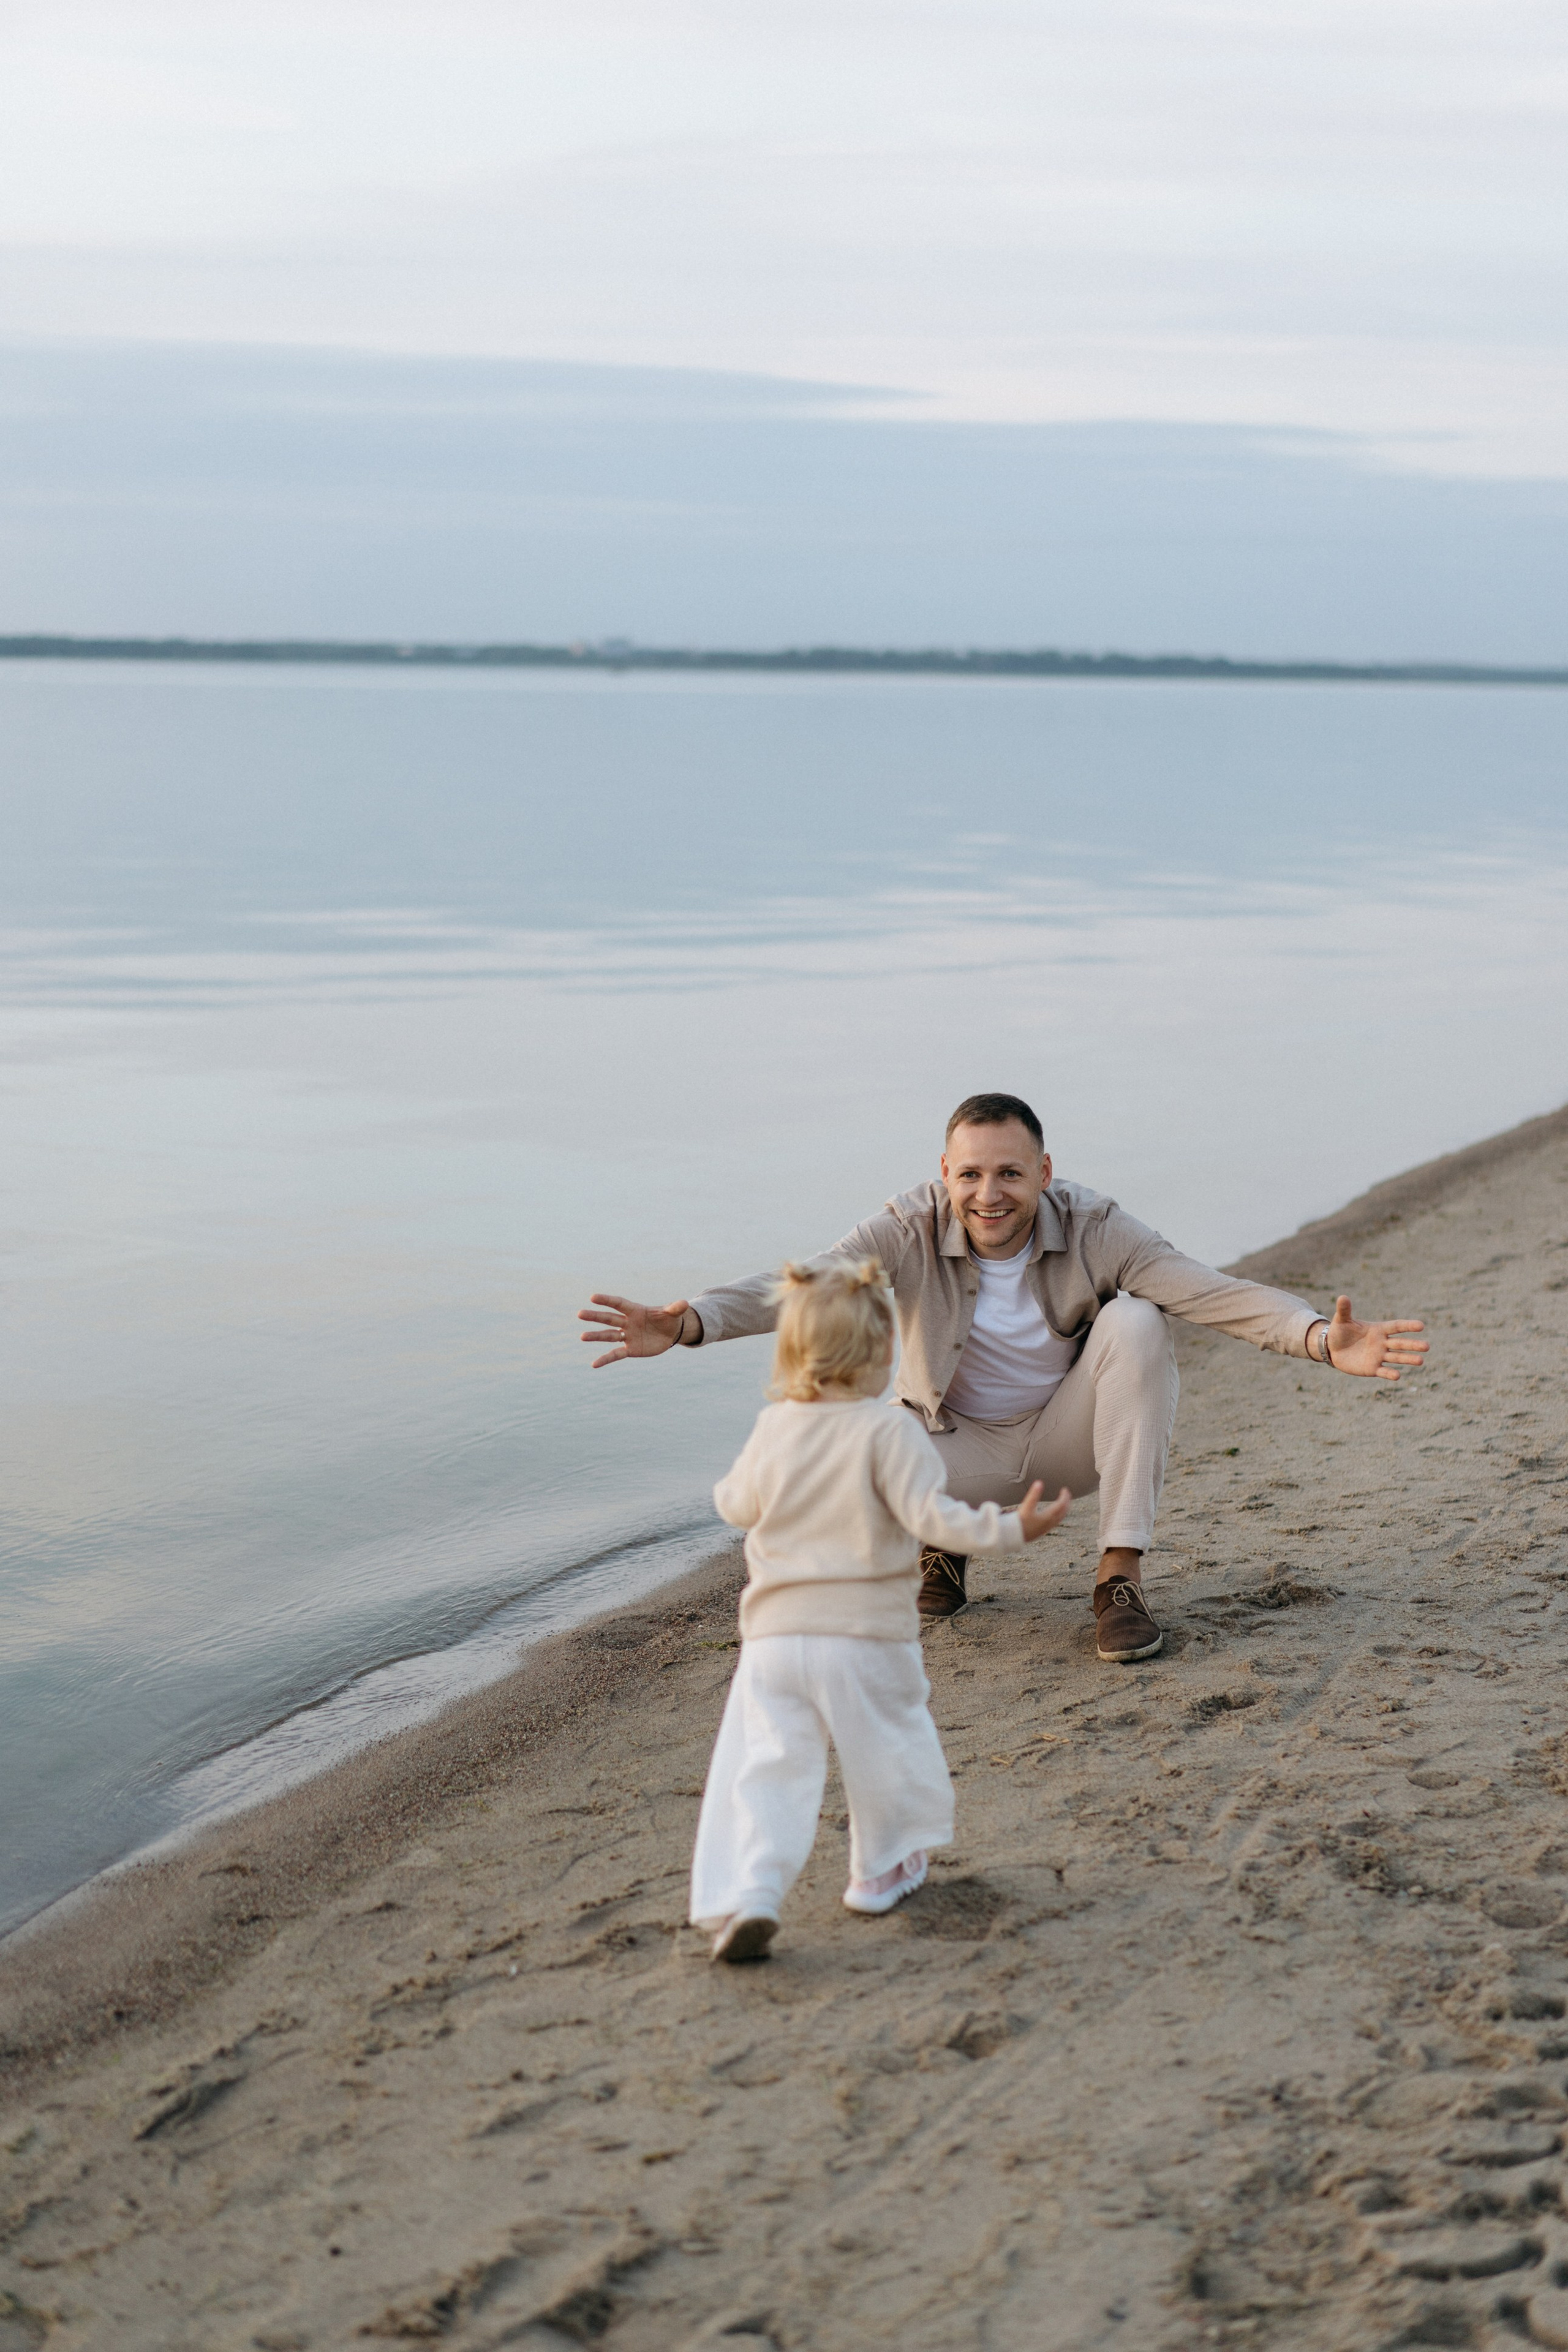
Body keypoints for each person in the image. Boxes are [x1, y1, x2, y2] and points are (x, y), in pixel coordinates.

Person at [579, 1091, 1428, 1664]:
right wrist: (687, 1322)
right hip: (951, 1454)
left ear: (1044, 1175)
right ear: (945, 1174)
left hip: (1069, 1444)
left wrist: (1319, 1337)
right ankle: (939, 1551)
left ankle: (1118, 1578)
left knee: (1137, 1319)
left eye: (1010, 1173)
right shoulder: (906, 1228)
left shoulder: (1095, 1225)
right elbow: (806, 1288)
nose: (991, 1193)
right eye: (972, 1174)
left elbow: (1205, 1291)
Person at [688, 1256, 1071, 1962]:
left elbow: (735, 1506)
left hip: (774, 1640)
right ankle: (877, 1871)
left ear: (793, 1350)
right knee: (887, 1746)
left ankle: (753, 1892)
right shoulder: (889, 1431)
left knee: (769, 1764)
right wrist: (1012, 1528)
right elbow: (936, 1518)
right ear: (882, 1350)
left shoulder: (774, 1428)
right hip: (863, 1636)